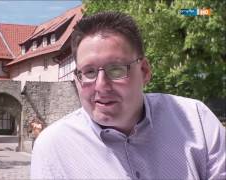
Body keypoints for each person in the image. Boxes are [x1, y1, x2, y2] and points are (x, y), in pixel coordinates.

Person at [31, 11, 226, 179]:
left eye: (116, 70)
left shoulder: (196, 120)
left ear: (144, 71)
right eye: (89, 72)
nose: (101, 86)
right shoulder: (52, 147)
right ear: (76, 80)